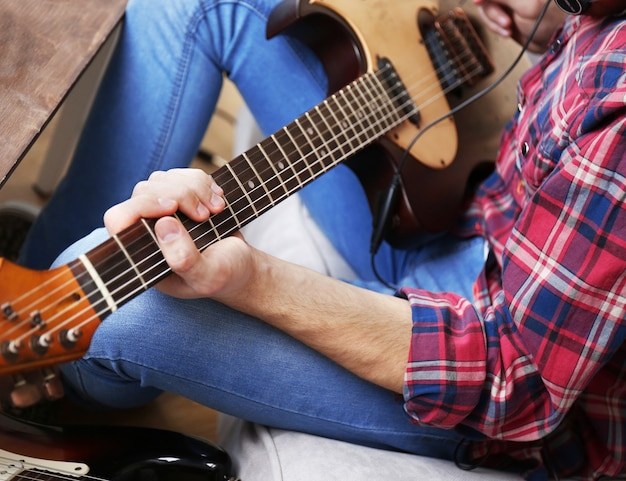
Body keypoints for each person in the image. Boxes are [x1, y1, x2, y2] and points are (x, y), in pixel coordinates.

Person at [8, 0, 626, 480]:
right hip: (461, 233)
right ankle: (27, 303)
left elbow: (514, 380)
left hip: (482, 388)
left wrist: (254, 280)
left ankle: (41, 364)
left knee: (112, 309)